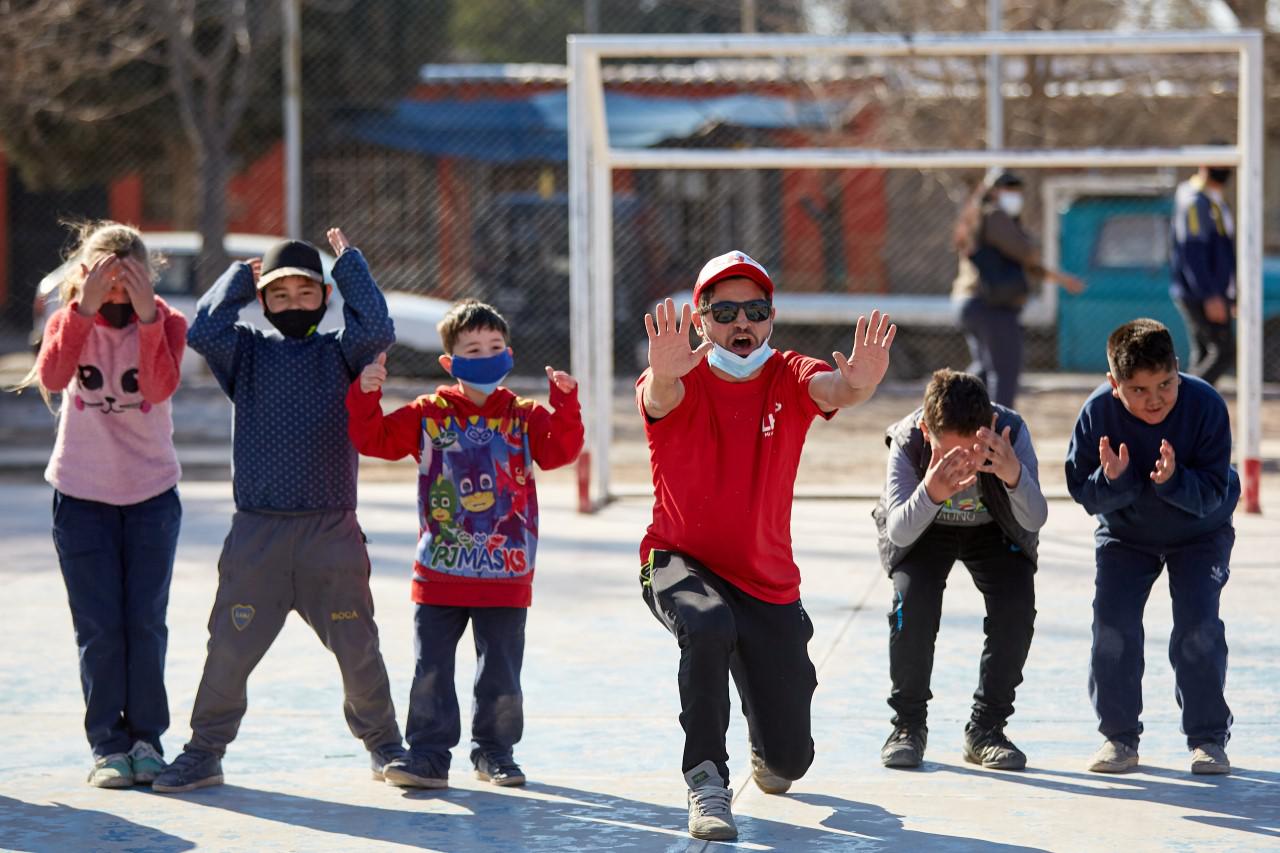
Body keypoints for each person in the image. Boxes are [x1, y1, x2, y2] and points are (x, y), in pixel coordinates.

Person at [638, 250, 896, 841]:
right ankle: (707, 781)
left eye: (755, 311)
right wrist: (665, 374)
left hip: (764, 579)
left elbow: (835, 388)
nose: (741, 324)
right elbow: (658, 398)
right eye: (724, 312)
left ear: (771, 318)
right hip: (678, 559)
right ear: (701, 319)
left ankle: (764, 723)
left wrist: (859, 382)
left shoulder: (789, 373)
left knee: (788, 763)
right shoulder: (678, 377)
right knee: (706, 624)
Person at [152, 230, 406, 793]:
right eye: (280, 295)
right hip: (258, 534)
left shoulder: (341, 353)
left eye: (306, 292)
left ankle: (386, 745)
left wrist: (350, 266)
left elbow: (376, 329)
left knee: (358, 648)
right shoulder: (246, 353)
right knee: (229, 649)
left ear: (325, 297)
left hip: (329, 532)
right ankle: (204, 751)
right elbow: (204, 330)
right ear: (263, 302)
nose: (294, 303)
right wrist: (238, 280)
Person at [345, 299, 583, 789]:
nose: (487, 356)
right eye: (473, 350)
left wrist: (566, 405)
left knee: (501, 673)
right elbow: (375, 439)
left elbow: (561, 450)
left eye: (495, 347)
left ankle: (494, 753)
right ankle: (428, 756)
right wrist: (365, 395)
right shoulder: (428, 414)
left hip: (506, 572)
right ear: (449, 362)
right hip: (440, 572)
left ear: (509, 353)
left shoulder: (524, 416)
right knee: (430, 669)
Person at [10, 221, 186, 788]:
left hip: (151, 496)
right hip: (81, 497)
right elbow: (54, 374)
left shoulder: (168, 322)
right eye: (104, 275)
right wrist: (83, 310)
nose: (116, 288)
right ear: (85, 273)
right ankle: (108, 746)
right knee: (99, 627)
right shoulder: (68, 321)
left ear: (145, 275)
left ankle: (146, 741)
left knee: (145, 624)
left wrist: (148, 317)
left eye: (126, 275)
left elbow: (157, 388)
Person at [1065, 318, 1239, 776]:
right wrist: (1113, 481)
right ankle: (1119, 738)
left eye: (1165, 384)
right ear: (1114, 383)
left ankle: (1208, 739)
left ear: (1177, 368)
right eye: (1138, 390)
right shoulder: (1097, 414)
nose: (1155, 399)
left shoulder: (1205, 405)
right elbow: (1084, 493)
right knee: (1113, 627)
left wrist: (1174, 480)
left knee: (1198, 627)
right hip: (1126, 536)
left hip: (1200, 533)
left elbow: (1214, 491)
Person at [872, 369, 1046, 772]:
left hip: (994, 528)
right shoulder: (908, 439)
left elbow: (1035, 518)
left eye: (973, 451)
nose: (964, 464)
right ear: (926, 431)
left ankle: (986, 729)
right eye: (950, 454)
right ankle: (907, 726)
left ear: (989, 427)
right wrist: (932, 490)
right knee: (911, 605)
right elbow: (899, 531)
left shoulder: (1011, 432)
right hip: (926, 527)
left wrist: (1013, 475)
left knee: (1016, 608)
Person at [952, 171, 1084, 408]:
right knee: (1004, 371)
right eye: (1008, 190)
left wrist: (1062, 279)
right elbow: (1026, 253)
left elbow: (1027, 262)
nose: (1014, 196)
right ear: (993, 192)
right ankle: (1000, 424)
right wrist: (1034, 248)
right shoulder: (995, 216)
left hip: (970, 303)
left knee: (983, 370)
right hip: (992, 305)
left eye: (1016, 191)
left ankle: (949, 409)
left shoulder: (976, 217)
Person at [1170, 162, 1236, 386]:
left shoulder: (1213, 200)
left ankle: (1189, 403)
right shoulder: (1194, 201)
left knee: (1204, 353)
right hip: (1201, 293)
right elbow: (1193, 252)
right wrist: (1210, 295)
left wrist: (1230, 294)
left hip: (1214, 291)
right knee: (1223, 352)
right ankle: (1183, 399)